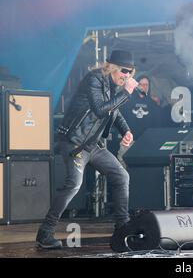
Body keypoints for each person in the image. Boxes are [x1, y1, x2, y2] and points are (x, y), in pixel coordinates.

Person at [36, 50, 140, 249]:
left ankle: (122, 228)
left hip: (92, 144)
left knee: (121, 176)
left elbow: (114, 112)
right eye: (124, 71)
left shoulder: (111, 85)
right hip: (75, 141)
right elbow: (101, 109)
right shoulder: (94, 79)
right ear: (112, 67)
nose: (127, 76)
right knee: (74, 184)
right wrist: (126, 93)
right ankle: (45, 233)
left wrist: (127, 131)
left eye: (130, 73)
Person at [116, 74, 162, 168]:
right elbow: (118, 118)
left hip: (146, 143)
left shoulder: (153, 103)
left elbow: (157, 125)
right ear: (136, 85)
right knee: (122, 169)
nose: (143, 87)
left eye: (146, 85)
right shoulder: (127, 100)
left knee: (142, 170)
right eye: (141, 84)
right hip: (128, 142)